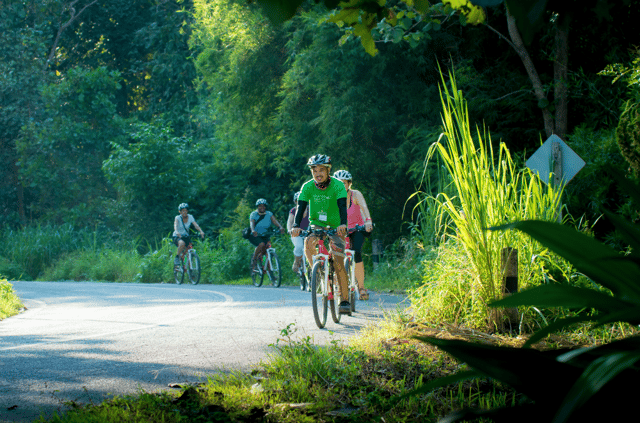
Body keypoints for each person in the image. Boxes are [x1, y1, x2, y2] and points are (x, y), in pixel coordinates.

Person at [291, 154, 351, 314]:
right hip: (317, 224)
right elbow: (301, 207)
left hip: (336, 225)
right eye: (315, 170)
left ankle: (344, 299)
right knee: (308, 242)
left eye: (321, 170)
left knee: (338, 260)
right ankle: (317, 272)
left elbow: (342, 207)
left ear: (328, 170)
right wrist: (296, 225)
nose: (318, 174)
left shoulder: (338, 185)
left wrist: (343, 225)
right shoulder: (307, 187)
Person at [333, 170, 374, 300]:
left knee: (356, 252)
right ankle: (339, 286)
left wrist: (368, 221)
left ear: (349, 184)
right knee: (336, 255)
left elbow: (364, 208)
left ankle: (361, 287)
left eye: (344, 183)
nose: (341, 185)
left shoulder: (355, 195)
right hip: (340, 230)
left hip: (357, 228)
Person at [248, 198, 285, 270]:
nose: (262, 207)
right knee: (261, 244)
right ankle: (254, 260)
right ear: (257, 207)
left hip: (265, 234)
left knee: (267, 250)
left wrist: (280, 227)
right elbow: (251, 223)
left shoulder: (269, 214)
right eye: (260, 206)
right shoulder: (254, 214)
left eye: (263, 206)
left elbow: (275, 221)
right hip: (255, 235)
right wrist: (253, 230)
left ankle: (271, 275)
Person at [287, 192, 309, 272]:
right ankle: (296, 262)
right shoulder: (293, 211)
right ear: (295, 202)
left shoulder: (311, 209)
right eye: (298, 200)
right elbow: (290, 222)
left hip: (308, 233)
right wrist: (290, 230)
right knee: (299, 246)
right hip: (297, 234)